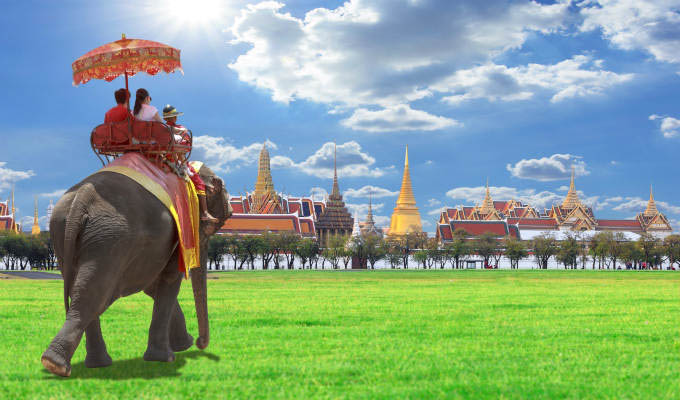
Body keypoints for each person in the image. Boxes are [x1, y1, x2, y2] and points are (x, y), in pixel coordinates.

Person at [162, 104, 218, 224]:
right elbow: (186, 147)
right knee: (199, 183)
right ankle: (204, 213)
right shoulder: (181, 129)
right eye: (175, 116)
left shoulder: (160, 129)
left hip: (161, 159)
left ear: (165, 119)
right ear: (175, 117)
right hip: (175, 161)